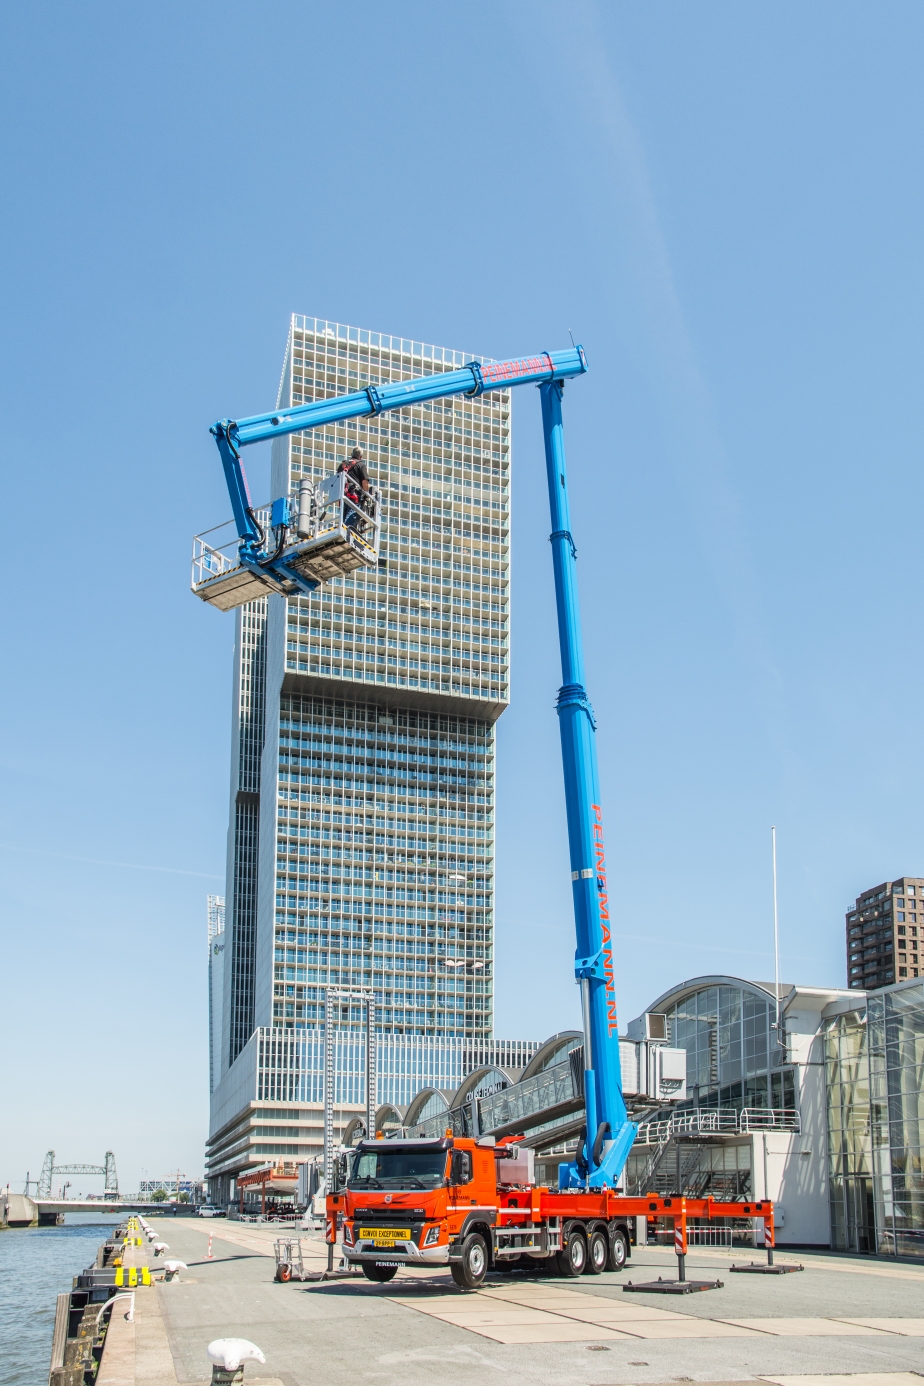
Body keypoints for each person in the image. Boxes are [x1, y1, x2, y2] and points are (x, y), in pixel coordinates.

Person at [337, 446, 370, 531]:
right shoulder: (361, 465)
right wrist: (367, 494)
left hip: (343, 495)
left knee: (343, 516)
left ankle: (342, 529)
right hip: (353, 496)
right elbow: (365, 483)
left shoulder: (343, 465)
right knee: (350, 517)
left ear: (351, 454)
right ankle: (347, 532)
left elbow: (337, 480)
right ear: (361, 456)